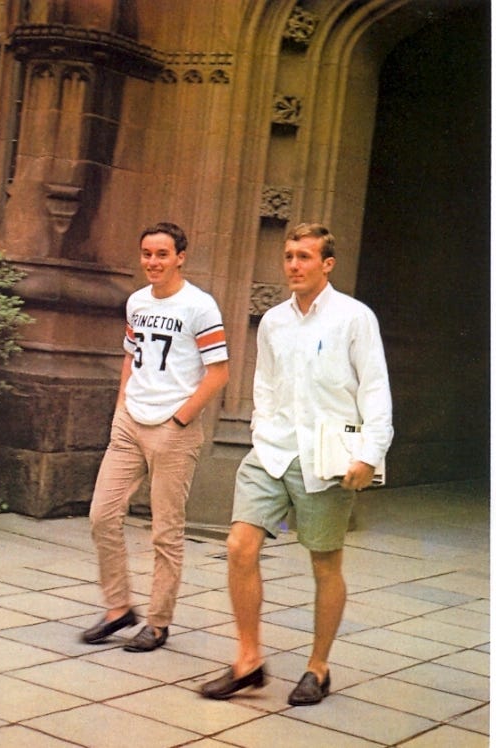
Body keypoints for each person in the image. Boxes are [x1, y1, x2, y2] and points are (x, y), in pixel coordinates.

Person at [201, 222, 392, 704]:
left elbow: (374, 389)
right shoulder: (273, 321)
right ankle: (248, 660)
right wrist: (261, 429)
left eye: (304, 257)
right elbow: (264, 383)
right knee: (240, 546)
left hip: (326, 459)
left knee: (325, 563)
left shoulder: (355, 318)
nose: (293, 265)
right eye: (288, 256)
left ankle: (318, 668)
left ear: (327, 264)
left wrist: (369, 454)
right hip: (272, 451)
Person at [83, 222, 229, 651]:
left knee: (166, 531)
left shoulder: (200, 306)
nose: (153, 262)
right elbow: (131, 358)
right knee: (101, 516)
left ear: (180, 257)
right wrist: (121, 408)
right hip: (130, 424)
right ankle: (118, 608)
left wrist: (180, 420)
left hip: (173, 430)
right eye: (147, 253)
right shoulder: (137, 301)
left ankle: (159, 623)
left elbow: (219, 372)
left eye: (162, 254)